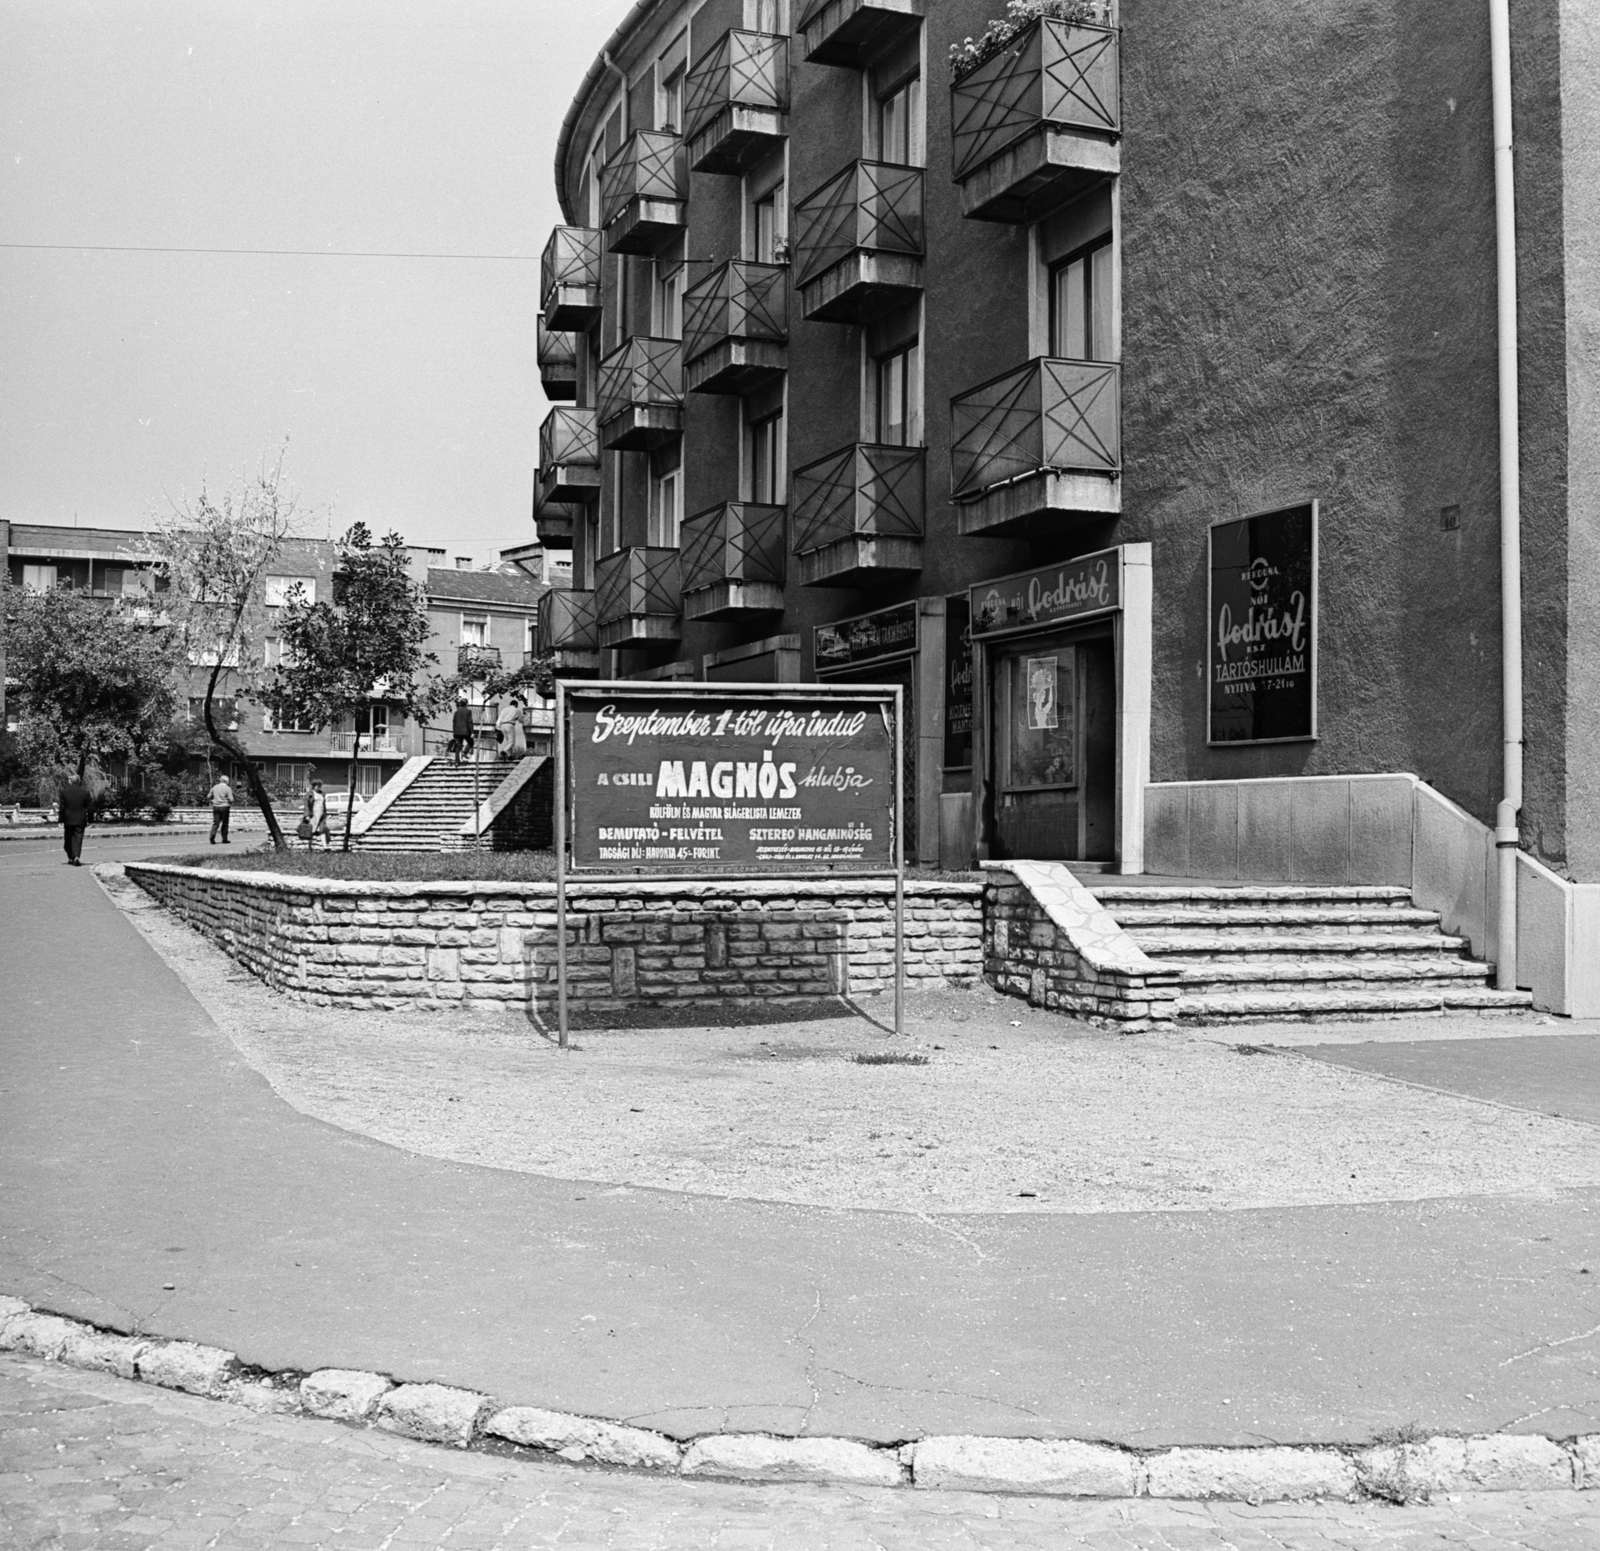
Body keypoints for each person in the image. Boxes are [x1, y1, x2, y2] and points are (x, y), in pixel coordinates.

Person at [58, 775, 91, 867]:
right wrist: (90, 819)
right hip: (80, 819)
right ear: (79, 781)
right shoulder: (85, 792)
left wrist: (60, 820)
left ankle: (71, 856)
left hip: (68, 819)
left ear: (70, 781)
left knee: (68, 839)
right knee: (78, 838)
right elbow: (90, 807)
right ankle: (76, 856)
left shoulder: (64, 792)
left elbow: (62, 807)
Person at [495, 695, 526, 761]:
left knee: (508, 742)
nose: (517, 706)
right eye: (517, 705)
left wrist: (497, 727)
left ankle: (510, 756)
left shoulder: (504, 710)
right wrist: (524, 718)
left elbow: (499, 719)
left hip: (502, 726)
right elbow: (521, 720)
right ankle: (504, 751)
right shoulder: (517, 710)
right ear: (515, 704)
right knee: (512, 742)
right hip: (510, 726)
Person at [304, 779, 330, 851]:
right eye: (317, 786)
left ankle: (325, 847)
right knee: (311, 830)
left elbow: (323, 805)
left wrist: (325, 814)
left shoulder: (322, 794)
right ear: (313, 786)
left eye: (320, 786)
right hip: (313, 815)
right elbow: (306, 805)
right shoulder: (309, 794)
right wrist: (307, 815)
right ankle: (309, 847)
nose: (319, 787)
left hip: (321, 815)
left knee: (322, 830)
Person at [209, 775, 234, 844]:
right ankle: (224, 838)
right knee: (225, 823)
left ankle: (212, 836)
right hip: (225, 807)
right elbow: (231, 799)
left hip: (216, 806)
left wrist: (214, 799)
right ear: (226, 781)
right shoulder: (228, 788)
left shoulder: (215, 787)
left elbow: (209, 796)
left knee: (216, 823)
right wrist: (230, 801)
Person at [450, 695, 474, 766]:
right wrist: (472, 732)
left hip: (457, 732)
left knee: (458, 747)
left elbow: (454, 722)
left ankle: (457, 762)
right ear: (466, 704)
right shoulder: (468, 711)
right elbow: (470, 721)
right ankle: (465, 752)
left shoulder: (456, 712)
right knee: (471, 742)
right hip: (466, 731)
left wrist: (454, 732)